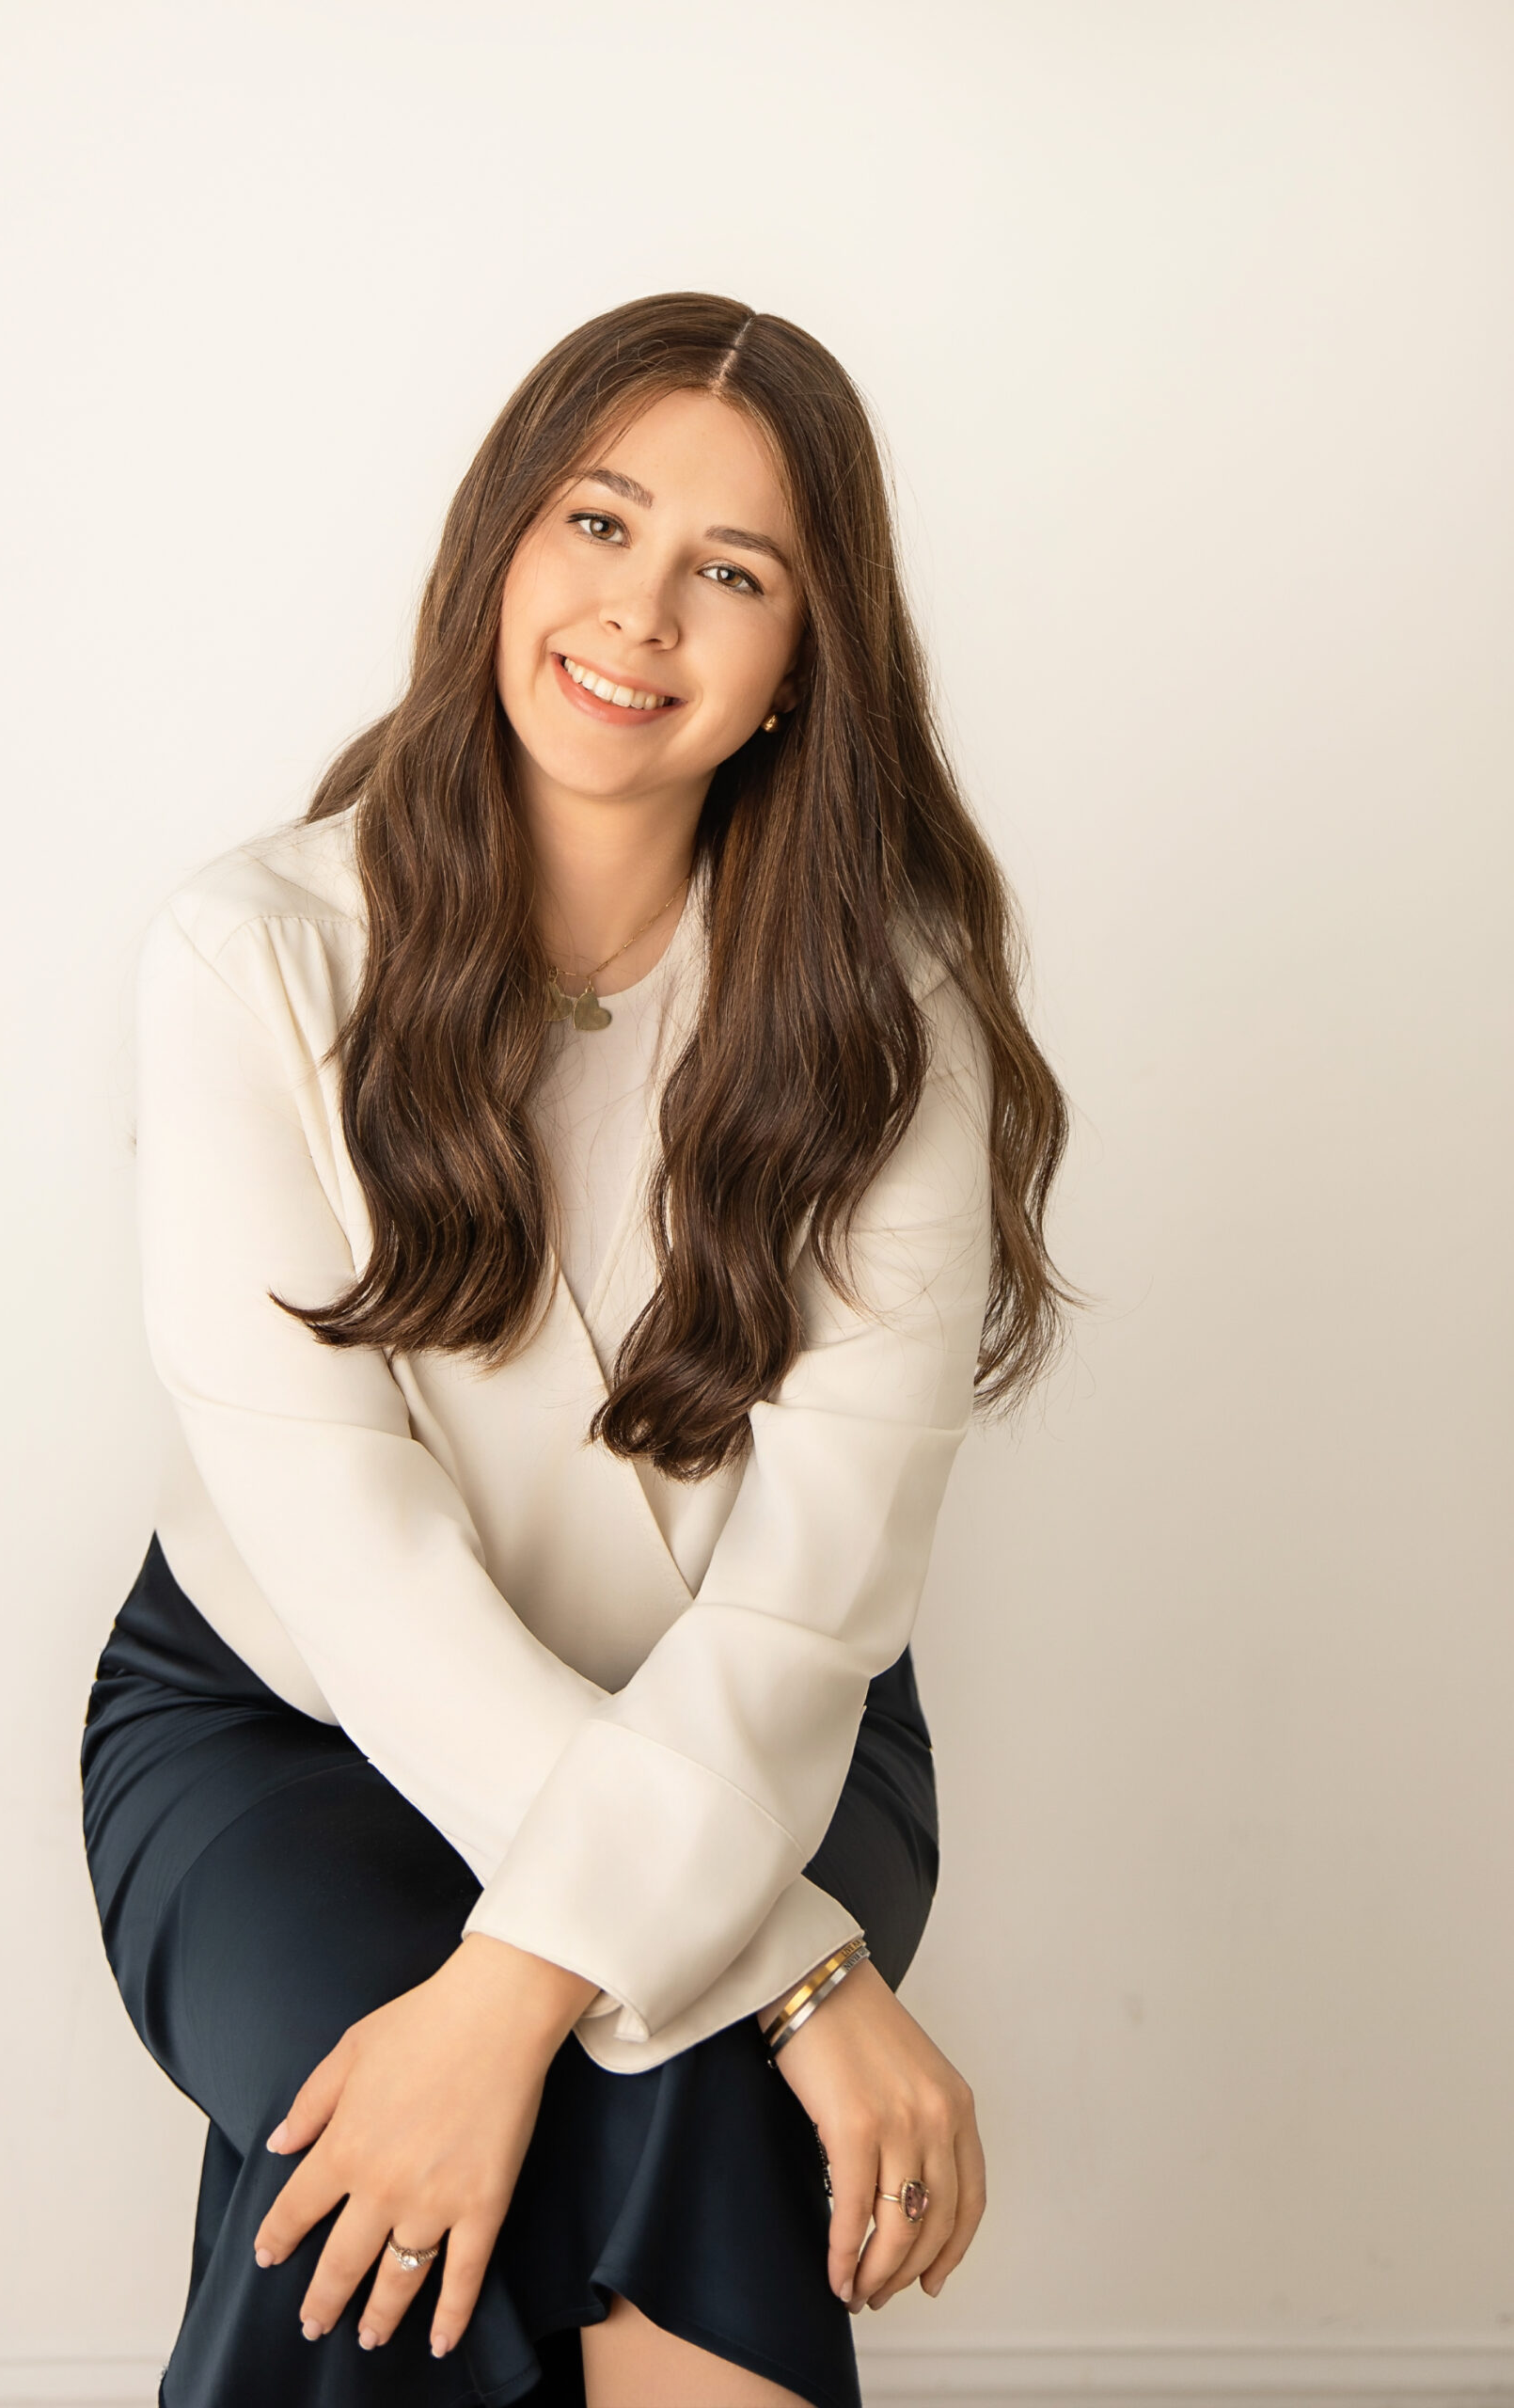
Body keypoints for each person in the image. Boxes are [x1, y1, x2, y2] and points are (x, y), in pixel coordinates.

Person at [81, 290, 1073, 2408]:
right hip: (287, 1730)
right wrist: (795, 1966)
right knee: (417, 2148)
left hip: (762, 1724)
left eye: (735, 570)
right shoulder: (251, 956)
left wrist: (514, 1989)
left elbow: (804, 1610)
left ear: (806, 660)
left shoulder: (892, 1028)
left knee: (587, 2101)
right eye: (598, 523)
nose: (641, 609)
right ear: (499, 547)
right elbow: (362, 1583)